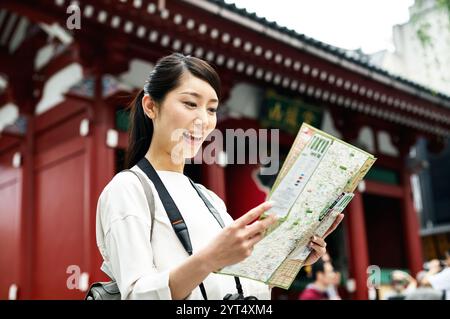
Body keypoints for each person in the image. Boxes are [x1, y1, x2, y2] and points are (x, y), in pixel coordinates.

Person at [95, 53, 344, 300]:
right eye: (190, 104)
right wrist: (211, 258)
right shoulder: (127, 189)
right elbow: (138, 295)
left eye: (212, 109)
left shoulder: (209, 199)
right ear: (151, 106)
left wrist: (291, 256)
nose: (203, 120)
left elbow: (241, 288)